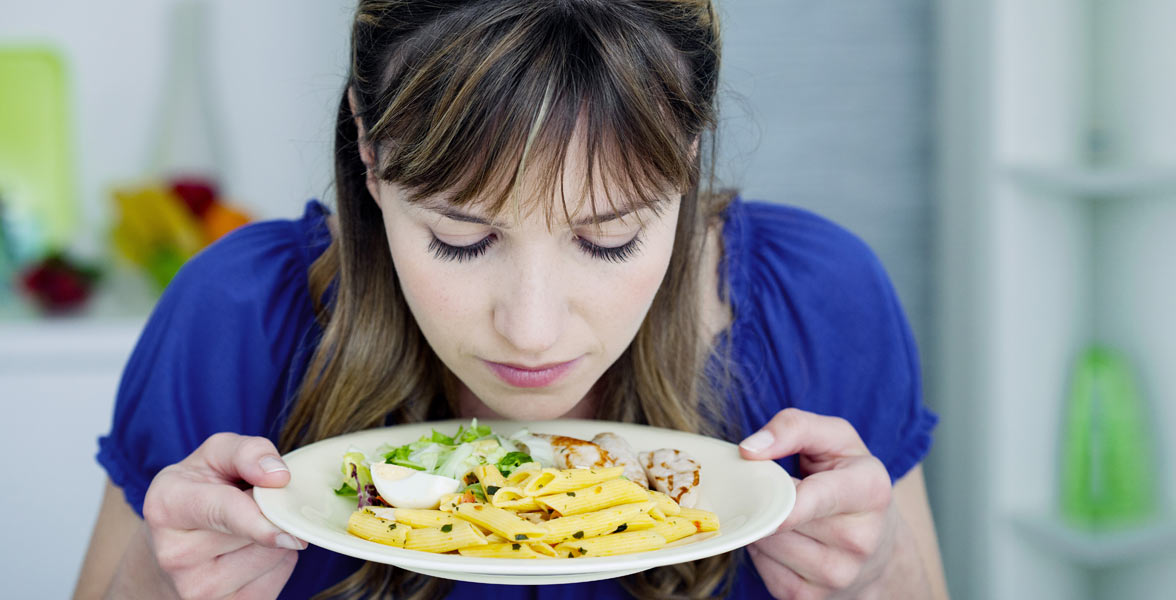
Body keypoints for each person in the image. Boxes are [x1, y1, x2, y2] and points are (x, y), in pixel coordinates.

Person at [73, 1, 947, 598]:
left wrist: (876, 578)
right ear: (371, 158)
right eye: (462, 237)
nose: (531, 332)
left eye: (609, 239)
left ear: (687, 158)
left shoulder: (821, 303)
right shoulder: (234, 319)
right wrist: (157, 579)